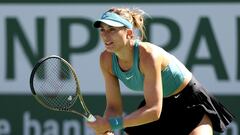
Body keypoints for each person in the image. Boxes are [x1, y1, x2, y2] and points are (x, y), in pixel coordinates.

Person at [87, 7, 234, 135]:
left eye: (112, 29)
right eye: (102, 30)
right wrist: (106, 127)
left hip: (191, 104)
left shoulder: (148, 55)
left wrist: (113, 124)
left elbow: (154, 110)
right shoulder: (106, 60)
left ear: (129, 34)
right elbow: (114, 107)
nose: (105, 36)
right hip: (159, 103)